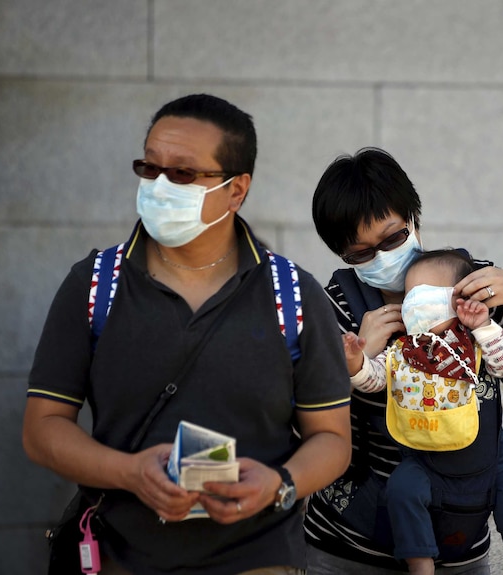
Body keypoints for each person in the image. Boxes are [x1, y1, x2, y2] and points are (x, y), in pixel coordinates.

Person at [23, 93, 352, 574]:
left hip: (256, 557)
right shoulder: (95, 285)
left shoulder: (293, 294)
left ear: (237, 190)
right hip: (121, 554)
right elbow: (41, 429)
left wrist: (280, 482)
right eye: (149, 167)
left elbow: (332, 439)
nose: (158, 186)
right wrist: (130, 473)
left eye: (181, 173)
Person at [304, 147, 503, 575]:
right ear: (343, 255)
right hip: (351, 548)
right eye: (362, 253)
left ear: (414, 218)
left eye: (393, 238)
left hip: (459, 545)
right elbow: (294, 414)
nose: (384, 257)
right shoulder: (334, 308)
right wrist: (358, 357)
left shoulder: (470, 285)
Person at [344, 248, 503, 575]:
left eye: (425, 296)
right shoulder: (402, 350)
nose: (414, 304)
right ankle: (420, 564)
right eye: (410, 296)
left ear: (458, 300)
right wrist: (356, 364)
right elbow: (374, 380)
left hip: (488, 460)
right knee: (401, 490)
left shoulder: (475, 341)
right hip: (423, 460)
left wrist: (485, 327)